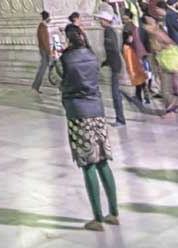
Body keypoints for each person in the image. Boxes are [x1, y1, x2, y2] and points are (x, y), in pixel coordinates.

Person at [58, 24, 119, 231]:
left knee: (88, 164)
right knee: (103, 161)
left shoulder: (66, 59)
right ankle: (114, 213)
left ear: (68, 39)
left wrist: (56, 58)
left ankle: (98, 219)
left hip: (79, 114)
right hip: (97, 112)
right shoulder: (92, 56)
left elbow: (55, 79)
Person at [141, 15, 178, 115]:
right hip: (163, 64)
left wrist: (164, 49)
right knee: (166, 89)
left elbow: (171, 44)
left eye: (148, 25)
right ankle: (172, 107)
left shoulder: (158, 34)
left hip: (168, 63)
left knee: (166, 91)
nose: (145, 27)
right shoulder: (151, 36)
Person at [96, 9, 125, 127]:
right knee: (116, 91)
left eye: (101, 19)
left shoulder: (108, 31)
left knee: (115, 93)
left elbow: (112, 49)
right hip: (115, 63)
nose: (99, 21)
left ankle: (120, 119)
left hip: (115, 64)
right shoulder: (109, 31)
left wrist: (109, 61)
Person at [122, 31, 147, 106]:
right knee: (139, 84)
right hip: (134, 68)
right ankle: (139, 97)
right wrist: (131, 70)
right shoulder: (127, 47)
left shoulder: (131, 46)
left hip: (138, 67)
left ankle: (143, 97)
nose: (132, 38)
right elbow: (128, 60)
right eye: (130, 37)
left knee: (142, 83)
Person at [32, 11, 52, 94]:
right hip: (44, 50)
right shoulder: (42, 27)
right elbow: (44, 41)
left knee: (43, 67)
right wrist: (49, 52)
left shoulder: (43, 26)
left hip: (44, 50)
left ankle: (36, 86)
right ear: (47, 18)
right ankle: (36, 86)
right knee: (42, 68)